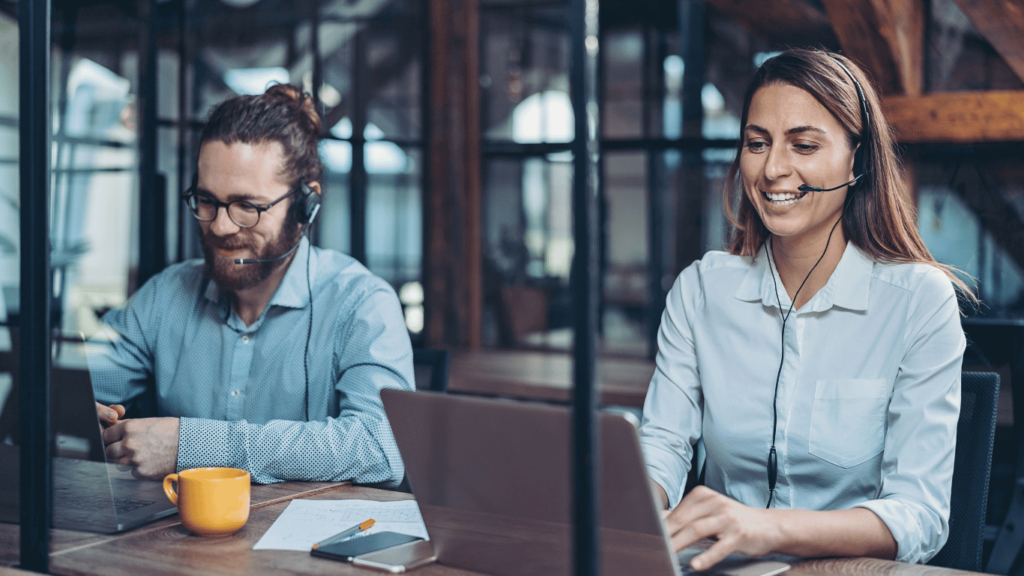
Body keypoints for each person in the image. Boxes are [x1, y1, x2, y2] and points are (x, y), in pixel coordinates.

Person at [639, 49, 971, 569]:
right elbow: (662, 443)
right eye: (757, 143)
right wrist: (633, 503)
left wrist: (765, 528)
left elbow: (919, 515)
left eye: (805, 145)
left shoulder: (919, 302)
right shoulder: (700, 290)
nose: (773, 169)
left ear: (856, 159)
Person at [90, 84, 414, 487]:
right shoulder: (166, 295)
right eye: (207, 201)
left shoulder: (362, 303)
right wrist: (72, 401)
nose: (221, 227)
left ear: (305, 204)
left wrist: (191, 445)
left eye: (247, 206)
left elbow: (382, 449)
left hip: (302, 548)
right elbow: (79, 381)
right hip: (173, 547)